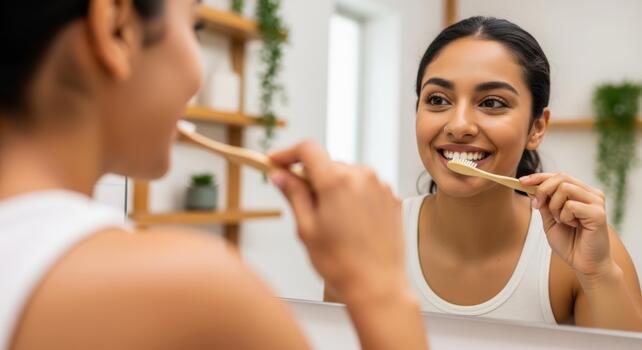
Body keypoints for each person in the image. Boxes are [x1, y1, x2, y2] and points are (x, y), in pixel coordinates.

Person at [0, 1, 428, 349]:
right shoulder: (190, 290)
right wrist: (381, 287)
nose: (196, 74)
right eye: (197, 25)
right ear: (117, 28)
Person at [324, 16, 642, 332]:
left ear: (537, 127)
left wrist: (598, 274)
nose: (459, 125)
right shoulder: (364, 241)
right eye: (437, 100)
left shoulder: (589, 251)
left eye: (491, 103)